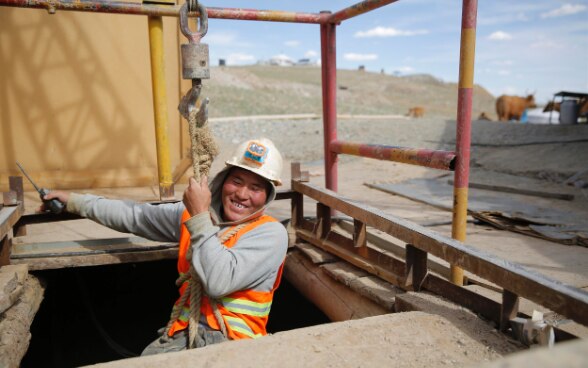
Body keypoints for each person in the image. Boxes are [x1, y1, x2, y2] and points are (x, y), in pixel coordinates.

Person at [44, 137, 289, 355]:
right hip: (182, 334)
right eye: (237, 181)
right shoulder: (193, 217)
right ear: (224, 180)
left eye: (256, 188)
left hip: (235, 344)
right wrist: (75, 202)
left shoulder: (270, 233)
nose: (242, 194)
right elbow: (135, 216)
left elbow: (218, 281)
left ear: (267, 195)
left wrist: (200, 215)